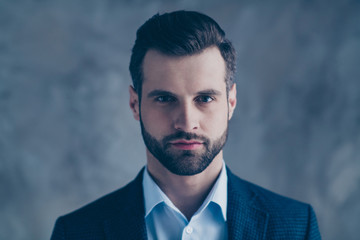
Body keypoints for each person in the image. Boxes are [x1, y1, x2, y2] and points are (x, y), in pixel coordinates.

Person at [51, 10, 321, 240]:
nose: (187, 122)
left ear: (231, 102)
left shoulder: (297, 227)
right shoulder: (75, 232)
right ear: (135, 104)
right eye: (165, 98)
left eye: (204, 98)